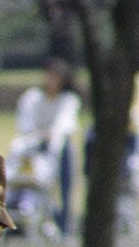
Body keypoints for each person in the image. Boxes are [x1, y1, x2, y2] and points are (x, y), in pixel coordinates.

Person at [5, 58, 82, 237]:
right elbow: (25, 125)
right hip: (31, 147)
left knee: (64, 157)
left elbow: (64, 125)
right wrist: (38, 136)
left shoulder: (68, 100)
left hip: (57, 149)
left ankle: (64, 221)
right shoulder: (32, 97)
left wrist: (50, 135)